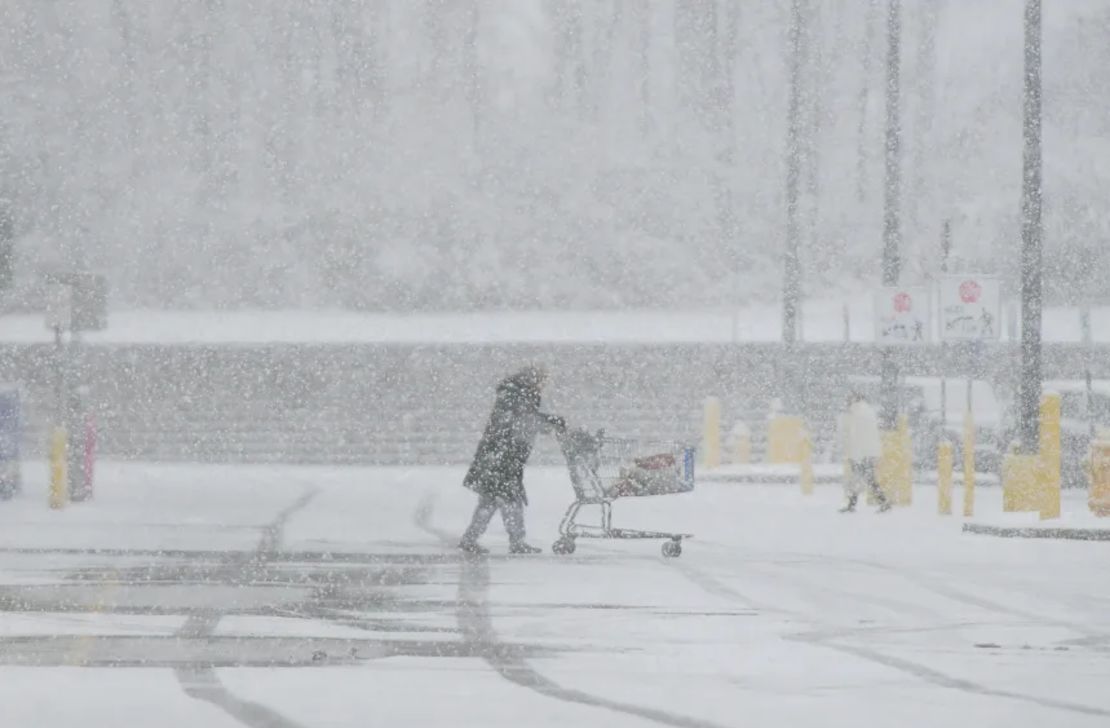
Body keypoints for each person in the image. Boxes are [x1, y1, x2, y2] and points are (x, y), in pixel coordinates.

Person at [459, 365, 565, 555]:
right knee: (509, 499)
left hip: (499, 456)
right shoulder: (519, 395)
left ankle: (471, 539)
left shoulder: (514, 393)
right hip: (503, 457)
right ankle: (516, 542)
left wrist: (546, 423)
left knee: (490, 500)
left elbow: (522, 420)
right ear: (534, 380)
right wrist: (550, 421)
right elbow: (521, 420)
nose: (543, 386)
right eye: (542, 381)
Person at [840, 392, 892, 513]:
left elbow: (856, 435)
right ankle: (854, 504)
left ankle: (882, 502)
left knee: (863, 478)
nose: (847, 402)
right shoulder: (867, 410)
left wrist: (854, 454)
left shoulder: (857, 413)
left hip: (861, 452)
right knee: (864, 478)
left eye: (849, 400)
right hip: (869, 451)